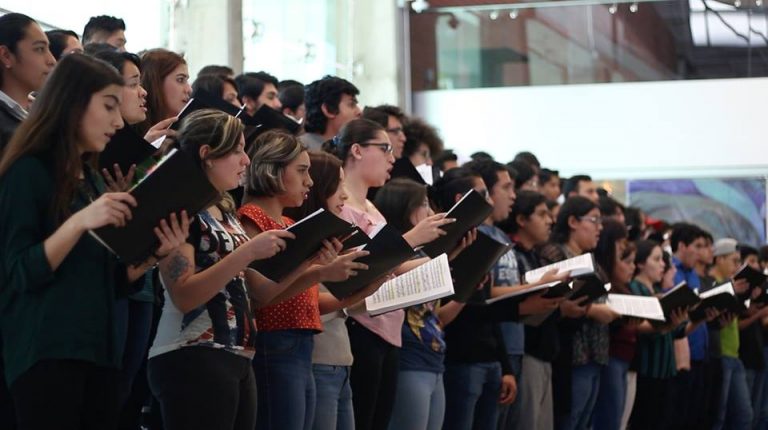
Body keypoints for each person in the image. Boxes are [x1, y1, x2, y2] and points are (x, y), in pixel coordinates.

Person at [0, 53, 186, 430]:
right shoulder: (28, 171)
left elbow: (110, 278)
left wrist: (155, 254)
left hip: (99, 350)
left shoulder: (90, 178)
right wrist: (80, 222)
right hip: (46, 351)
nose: (118, 122)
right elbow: (20, 271)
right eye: (109, 106)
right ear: (73, 102)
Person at [147, 109, 302, 430]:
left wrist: (315, 269)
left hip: (236, 353)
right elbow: (184, 295)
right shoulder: (180, 207)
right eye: (237, 150)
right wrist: (247, 251)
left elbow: (258, 293)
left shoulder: (224, 208)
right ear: (207, 155)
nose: (246, 160)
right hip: (192, 352)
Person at [322, 118, 454, 430]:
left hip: (389, 327)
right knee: (364, 417)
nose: (392, 157)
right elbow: (362, 263)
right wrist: (412, 239)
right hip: (361, 321)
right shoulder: (340, 204)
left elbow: (392, 265)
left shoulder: (371, 206)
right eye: (384, 149)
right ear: (356, 150)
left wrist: (446, 262)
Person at [238, 130, 370, 430]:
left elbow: (299, 292)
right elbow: (261, 294)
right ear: (272, 171)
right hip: (275, 338)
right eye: (301, 171)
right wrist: (314, 266)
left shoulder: (288, 223)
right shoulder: (252, 218)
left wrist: (325, 271)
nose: (309, 182)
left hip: (301, 341)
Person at [377, 178, 474, 430]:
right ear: (403, 208)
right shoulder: (391, 253)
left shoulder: (423, 254)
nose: (431, 213)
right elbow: (394, 278)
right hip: (409, 356)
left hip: (434, 357)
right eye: (423, 205)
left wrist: (456, 261)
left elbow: (434, 314)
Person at [0, 13, 56, 151]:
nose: (52, 60)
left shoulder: (37, 114)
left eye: (48, 49)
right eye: (39, 49)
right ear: (6, 56)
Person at [137, 49, 191, 140]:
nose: (189, 89)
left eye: (187, 81)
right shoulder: (127, 133)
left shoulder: (188, 132)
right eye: (180, 80)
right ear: (155, 83)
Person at [302, 76, 361, 151]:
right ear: (329, 110)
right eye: (351, 104)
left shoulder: (345, 147)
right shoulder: (303, 151)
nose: (359, 111)